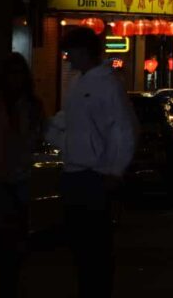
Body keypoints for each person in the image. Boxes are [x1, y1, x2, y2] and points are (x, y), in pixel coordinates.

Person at [46, 26, 138, 298]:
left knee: (93, 249)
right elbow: (72, 126)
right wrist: (47, 130)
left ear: (83, 52)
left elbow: (123, 129)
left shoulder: (106, 84)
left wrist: (114, 171)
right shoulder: (81, 84)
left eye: (69, 51)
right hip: (77, 174)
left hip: (92, 176)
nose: (67, 57)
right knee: (82, 248)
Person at [0, 53, 44, 298]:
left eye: (19, 74)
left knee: (17, 233)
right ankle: (5, 280)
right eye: (11, 74)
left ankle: (10, 280)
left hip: (20, 175)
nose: (15, 79)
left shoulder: (30, 105)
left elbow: (35, 136)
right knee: (3, 233)